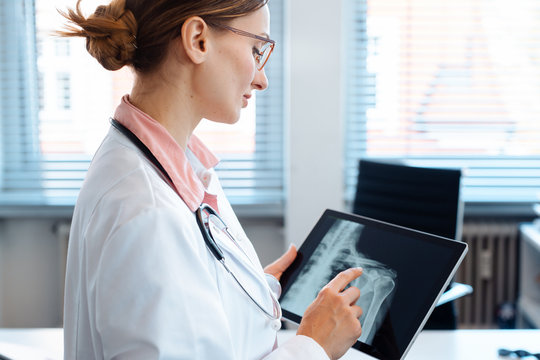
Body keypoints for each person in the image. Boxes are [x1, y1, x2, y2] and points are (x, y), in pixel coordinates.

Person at [59, 0, 364, 359]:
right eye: (255, 48)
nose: (261, 78)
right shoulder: (147, 212)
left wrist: (253, 292)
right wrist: (313, 346)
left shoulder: (163, 165)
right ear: (198, 39)